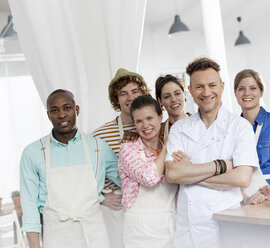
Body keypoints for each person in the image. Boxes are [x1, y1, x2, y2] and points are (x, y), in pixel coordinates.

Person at [165, 57, 259, 248]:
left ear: (222, 87)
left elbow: (241, 178)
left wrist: (190, 173)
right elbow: (173, 174)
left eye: (212, 85)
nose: (206, 92)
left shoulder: (239, 126)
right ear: (189, 91)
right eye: (199, 87)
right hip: (188, 227)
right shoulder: (179, 128)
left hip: (225, 223)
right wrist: (221, 166)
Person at [20, 89, 121, 248]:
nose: (61, 115)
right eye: (54, 110)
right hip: (57, 237)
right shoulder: (32, 153)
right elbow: (29, 206)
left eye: (67, 108)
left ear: (77, 110)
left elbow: (127, 181)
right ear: (48, 115)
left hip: (95, 236)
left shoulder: (97, 146)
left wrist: (101, 197)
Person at [92, 68, 150, 247]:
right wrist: (101, 196)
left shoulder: (153, 128)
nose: (129, 97)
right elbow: (87, 174)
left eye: (134, 91)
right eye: (123, 93)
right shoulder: (100, 135)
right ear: (116, 100)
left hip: (149, 202)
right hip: (117, 208)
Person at [118, 94, 177, 248]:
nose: (145, 125)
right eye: (139, 121)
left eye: (150, 118)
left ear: (160, 116)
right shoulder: (128, 149)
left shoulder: (174, 148)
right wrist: (166, 147)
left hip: (171, 226)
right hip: (140, 231)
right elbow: (149, 178)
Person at [234, 69, 270, 207]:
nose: (247, 93)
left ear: (261, 91)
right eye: (241, 89)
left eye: (253, 88)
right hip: (241, 198)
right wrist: (245, 198)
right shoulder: (232, 128)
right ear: (235, 93)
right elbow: (230, 170)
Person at [155, 74, 190, 144]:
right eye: (167, 96)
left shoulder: (200, 123)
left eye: (177, 93)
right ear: (160, 101)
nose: (173, 99)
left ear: (184, 94)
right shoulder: (157, 132)